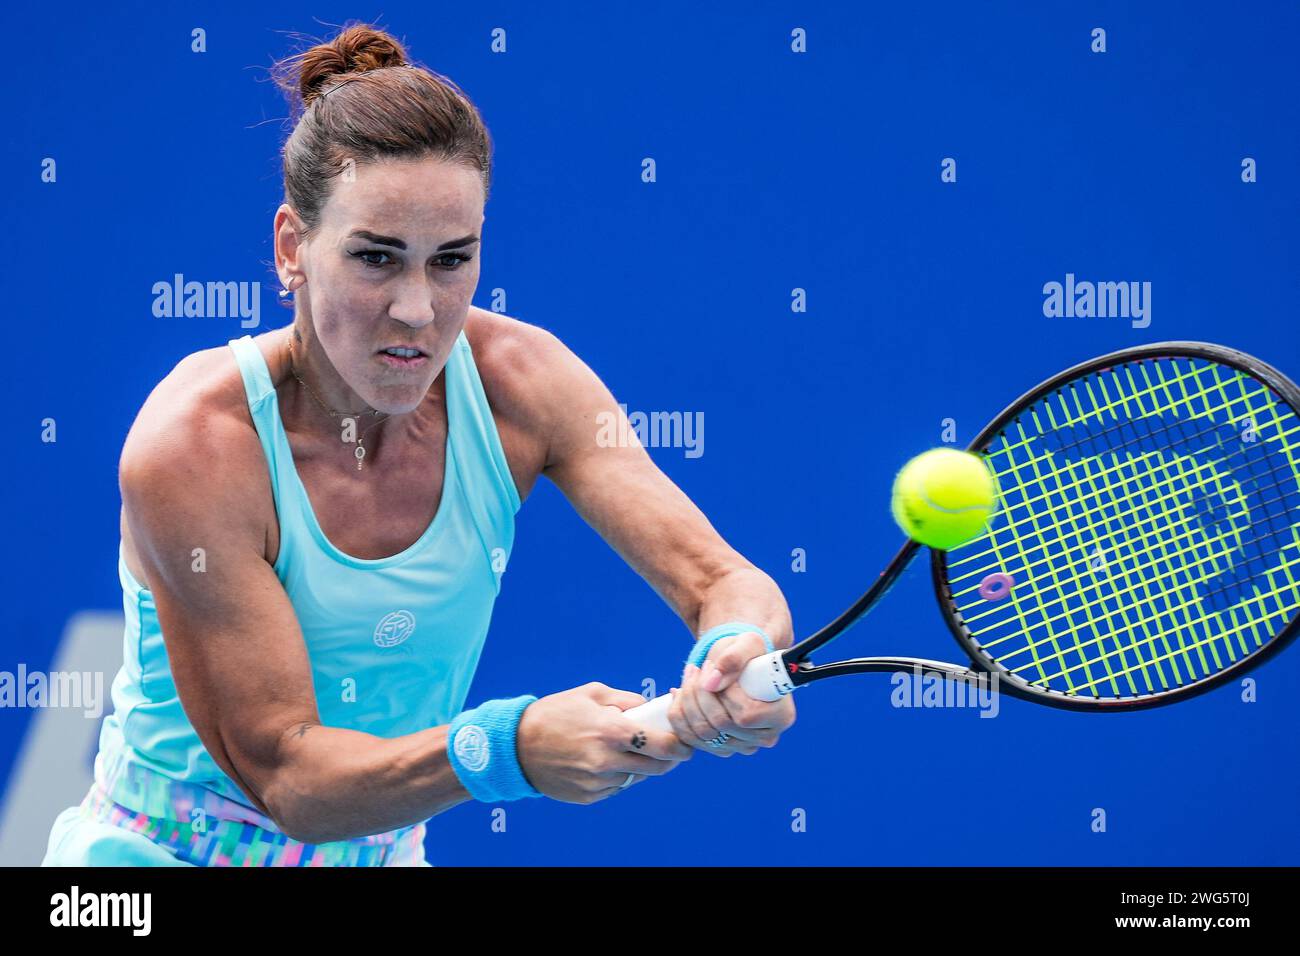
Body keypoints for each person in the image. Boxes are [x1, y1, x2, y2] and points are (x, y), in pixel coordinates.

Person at [41, 22, 795, 867]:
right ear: (292, 247)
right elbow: (290, 779)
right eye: (375, 258)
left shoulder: (523, 380)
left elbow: (725, 581)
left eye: (451, 261)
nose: (416, 309)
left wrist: (737, 647)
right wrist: (504, 748)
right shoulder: (195, 444)